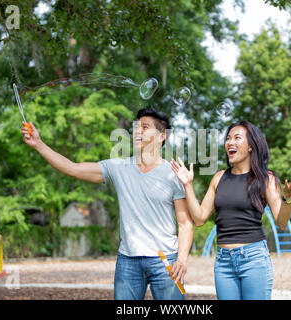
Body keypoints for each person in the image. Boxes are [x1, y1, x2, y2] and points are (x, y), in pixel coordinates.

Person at [21, 107, 193, 300]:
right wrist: (38, 144)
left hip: (165, 261)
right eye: (136, 127)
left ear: (162, 136)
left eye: (145, 127)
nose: (138, 131)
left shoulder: (174, 174)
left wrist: (182, 260)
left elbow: (185, 223)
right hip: (128, 261)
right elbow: (72, 168)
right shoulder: (118, 168)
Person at [171, 120, 291, 300]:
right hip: (223, 261)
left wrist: (287, 198)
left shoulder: (266, 179)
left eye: (237, 138)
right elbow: (200, 218)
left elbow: (281, 222)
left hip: (254, 259)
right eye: (228, 138)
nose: (230, 143)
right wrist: (187, 185)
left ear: (251, 146)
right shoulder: (219, 178)